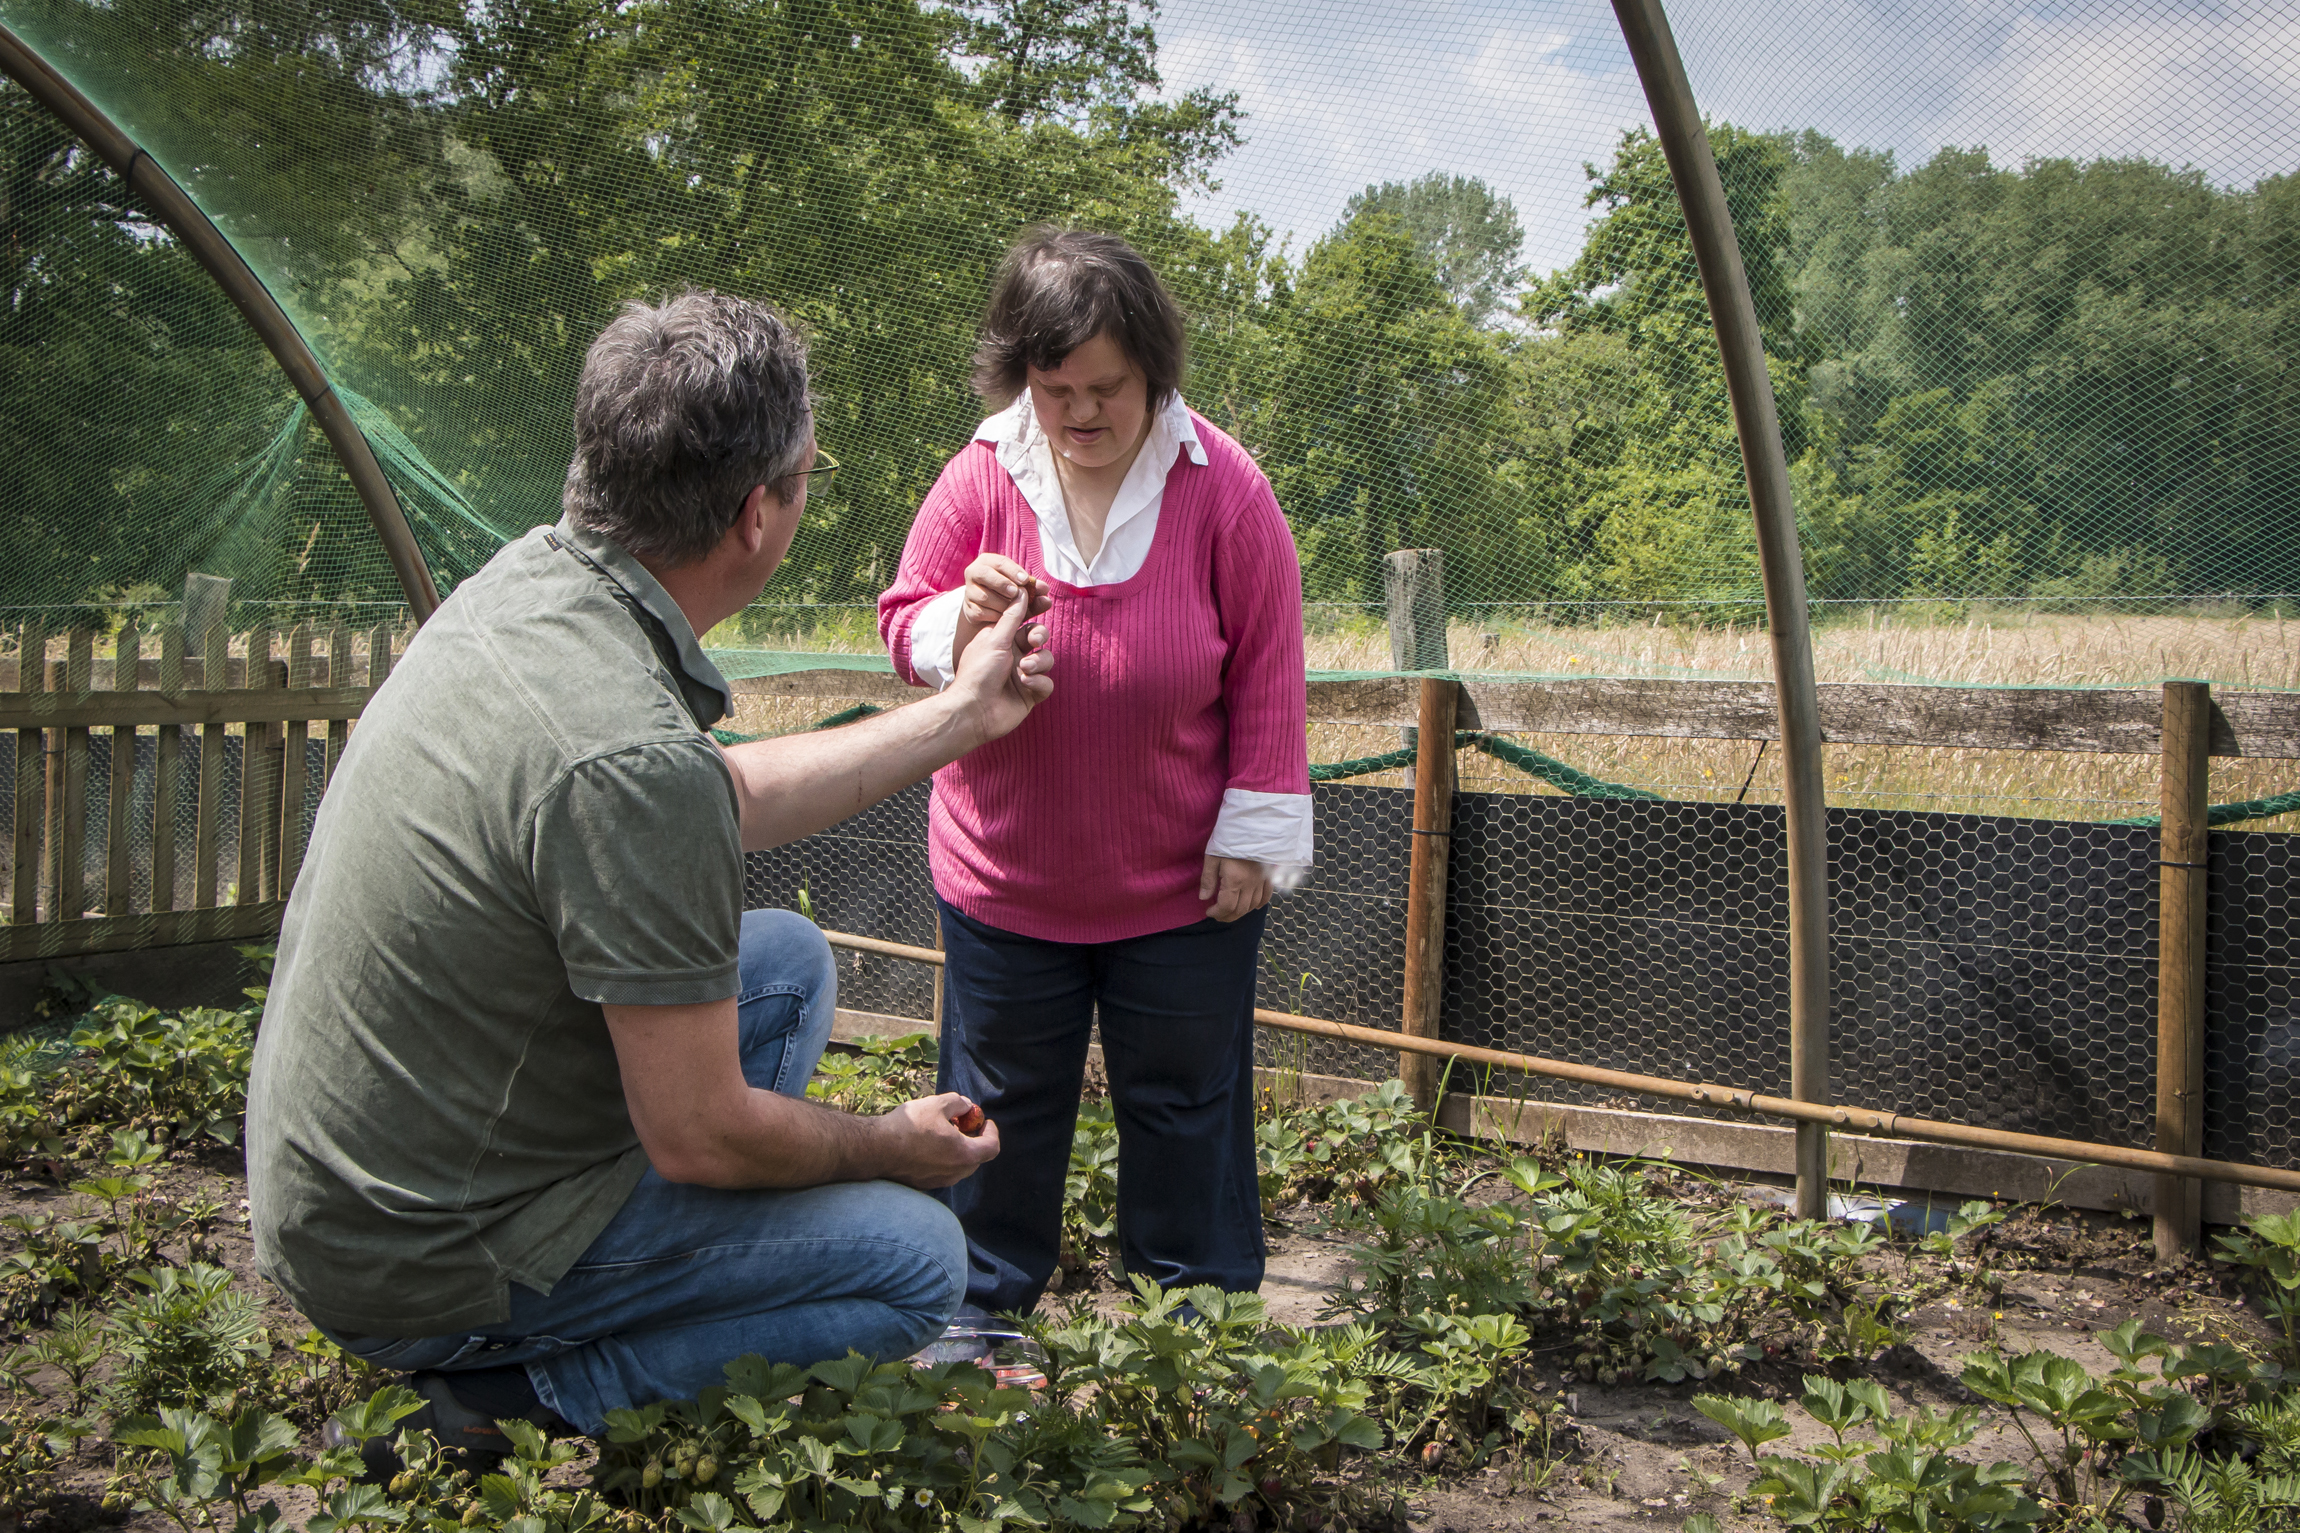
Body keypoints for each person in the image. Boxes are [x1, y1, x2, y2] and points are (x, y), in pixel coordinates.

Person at [246, 291, 1054, 1465]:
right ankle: (506, 1402)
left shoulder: (531, 592)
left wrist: (963, 713)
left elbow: (724, 795)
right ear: (755, 513)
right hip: (422, 1257)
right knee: (912, 1257)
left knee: (781, 962)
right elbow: (701, 1138)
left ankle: (662, 1282)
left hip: (357, 1189)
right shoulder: (623, 756)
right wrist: (887, 1140)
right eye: (808, 474)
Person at [878, 229, 1310, 1318]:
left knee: (1182, 1104)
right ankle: (975, 1319)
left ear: (1154, 374)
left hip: (1178, 889)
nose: (1077, 411)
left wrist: (1254, 836)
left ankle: (1195, 1325)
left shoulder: (1224, 488)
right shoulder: (981, 473)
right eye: (1053, 384)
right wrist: (954, 622)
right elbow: (901, 620)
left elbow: (1268, 659)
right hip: (1006, 878)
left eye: (1106, 387)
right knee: (996, 1106)